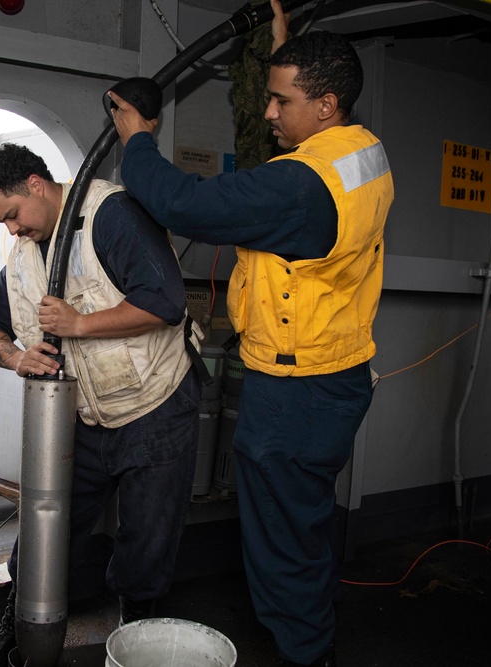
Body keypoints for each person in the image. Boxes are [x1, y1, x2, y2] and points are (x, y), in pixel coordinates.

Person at [108, 2, 394, 665]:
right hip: (337, 374)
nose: (269, 112)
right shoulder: (360, 151)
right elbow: (291, 146)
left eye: (280, 99)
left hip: (296, 392)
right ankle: (312, 636)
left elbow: (184, 205)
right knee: (304, 521)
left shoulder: (300, 188)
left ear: (325, 104)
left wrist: (137, 139)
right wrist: (283, 45)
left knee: (282, 541)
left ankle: (304, 653)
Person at [0, 143, 202, 667]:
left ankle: (134, 642)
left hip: (155, 407)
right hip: (86, 420)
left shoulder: (110, 213)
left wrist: (80, 324)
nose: (11, 230)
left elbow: (165, 301)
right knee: (44, 538)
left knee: (146, 547)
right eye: (1, 224)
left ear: (35, 184)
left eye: (11, 215)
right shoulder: (22, 255)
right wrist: (14, 355)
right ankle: (17, 631)